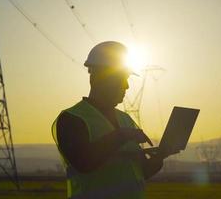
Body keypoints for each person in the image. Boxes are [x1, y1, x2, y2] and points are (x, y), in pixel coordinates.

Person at [52, 41, 164, 199]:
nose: (126, 86)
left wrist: (159, 159)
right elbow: (84, 162)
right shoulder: (72, 119)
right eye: (120, 78)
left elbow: (139, 172)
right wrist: (121, 136)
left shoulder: (125, 119)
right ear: (97, 78)